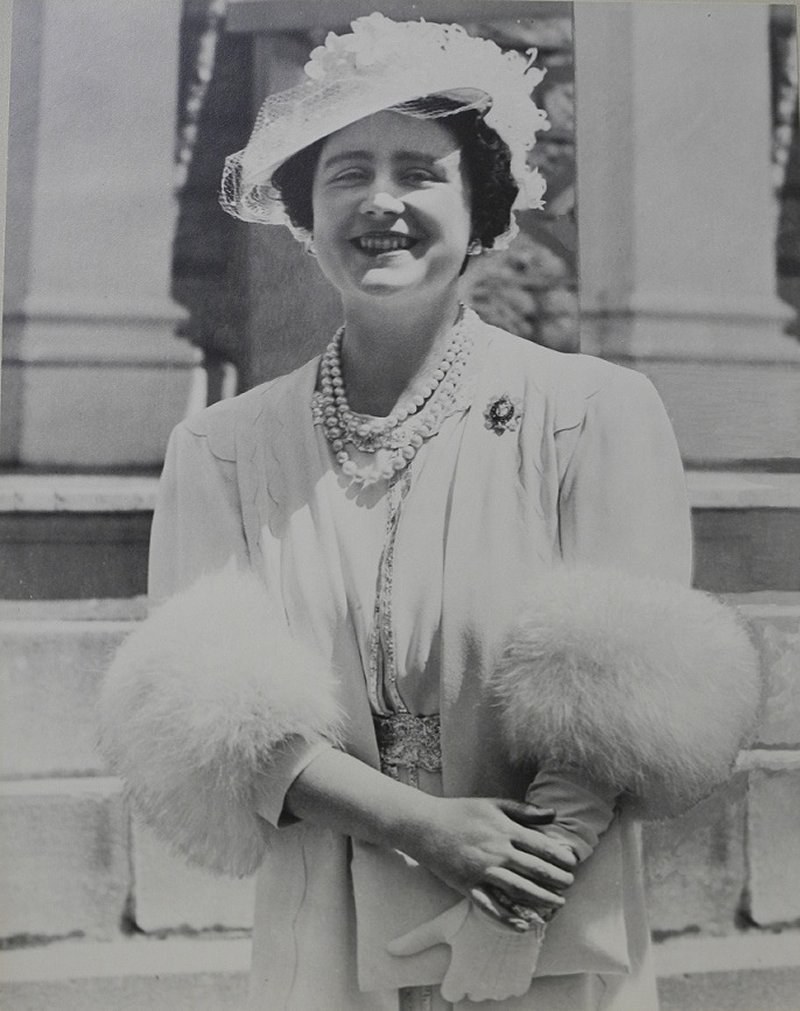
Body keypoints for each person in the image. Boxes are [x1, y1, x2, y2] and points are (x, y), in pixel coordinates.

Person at [99, 14, 761, 1010]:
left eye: (419, 170)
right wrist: (418, 828)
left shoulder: (588, 413)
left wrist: (514, 881)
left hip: (537, 910)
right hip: (322, 925)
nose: (382, 202)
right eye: (347, 172)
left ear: (481, 208)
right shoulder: (220, 450)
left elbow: (621, 690)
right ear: (304, 211)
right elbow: (212, 717)